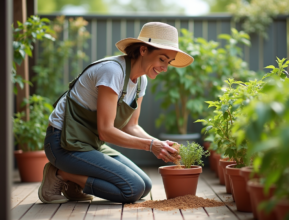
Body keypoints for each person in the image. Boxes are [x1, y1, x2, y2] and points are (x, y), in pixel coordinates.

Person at [38, 22, 194, 204]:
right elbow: (105, 131)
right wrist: (150, 146)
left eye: (168, 62)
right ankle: (61, 173)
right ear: (143, 50)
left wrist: (159, 144)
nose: (165, 68)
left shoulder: (141, 81)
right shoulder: (112, 71)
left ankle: (74, 182)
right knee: (132, 189)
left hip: (90, 144)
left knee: (145, 186)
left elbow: (131, 126)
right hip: (63, 143)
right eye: (162, 59)